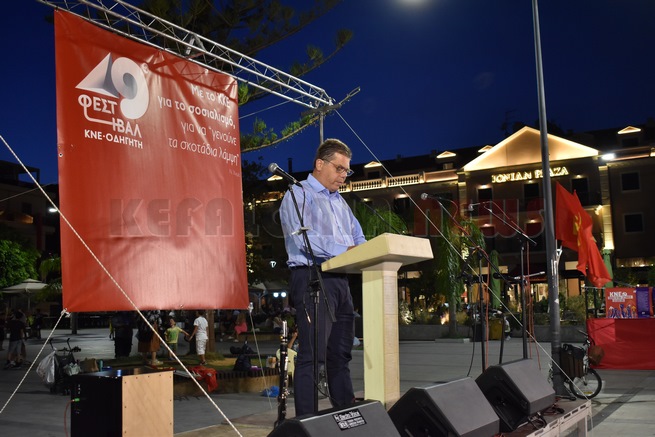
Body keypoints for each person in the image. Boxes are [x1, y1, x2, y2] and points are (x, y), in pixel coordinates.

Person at [279, 138, 366, 417]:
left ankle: (346, 417)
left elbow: (359, 238)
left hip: (341, 281)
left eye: (347, 171)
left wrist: (364, 251)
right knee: (312, 356)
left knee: (340, 354)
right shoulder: (298, 194)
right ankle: (307, 423)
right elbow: (304, 239)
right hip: (311, 278)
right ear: (319, 164)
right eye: (339, 168)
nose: (344, 175)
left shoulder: (341, 203)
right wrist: (346, 250)